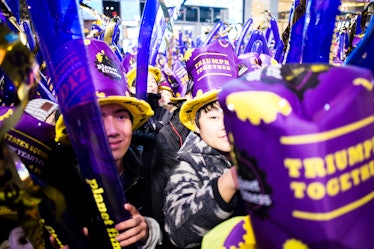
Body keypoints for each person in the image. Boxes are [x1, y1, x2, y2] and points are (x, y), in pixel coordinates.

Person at [49, 39, 162, 248]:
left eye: (121, 117)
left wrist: (148, 230)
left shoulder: (154, 166)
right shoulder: (53, 181)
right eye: (96, 119)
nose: (112, 131)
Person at [163, 39, 247, 248]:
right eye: (213, 118)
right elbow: (177, 229)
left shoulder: (254, 150)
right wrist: (229, 182)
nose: (225, 126)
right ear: (196, 125)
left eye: (230, 114)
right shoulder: (187, 164)